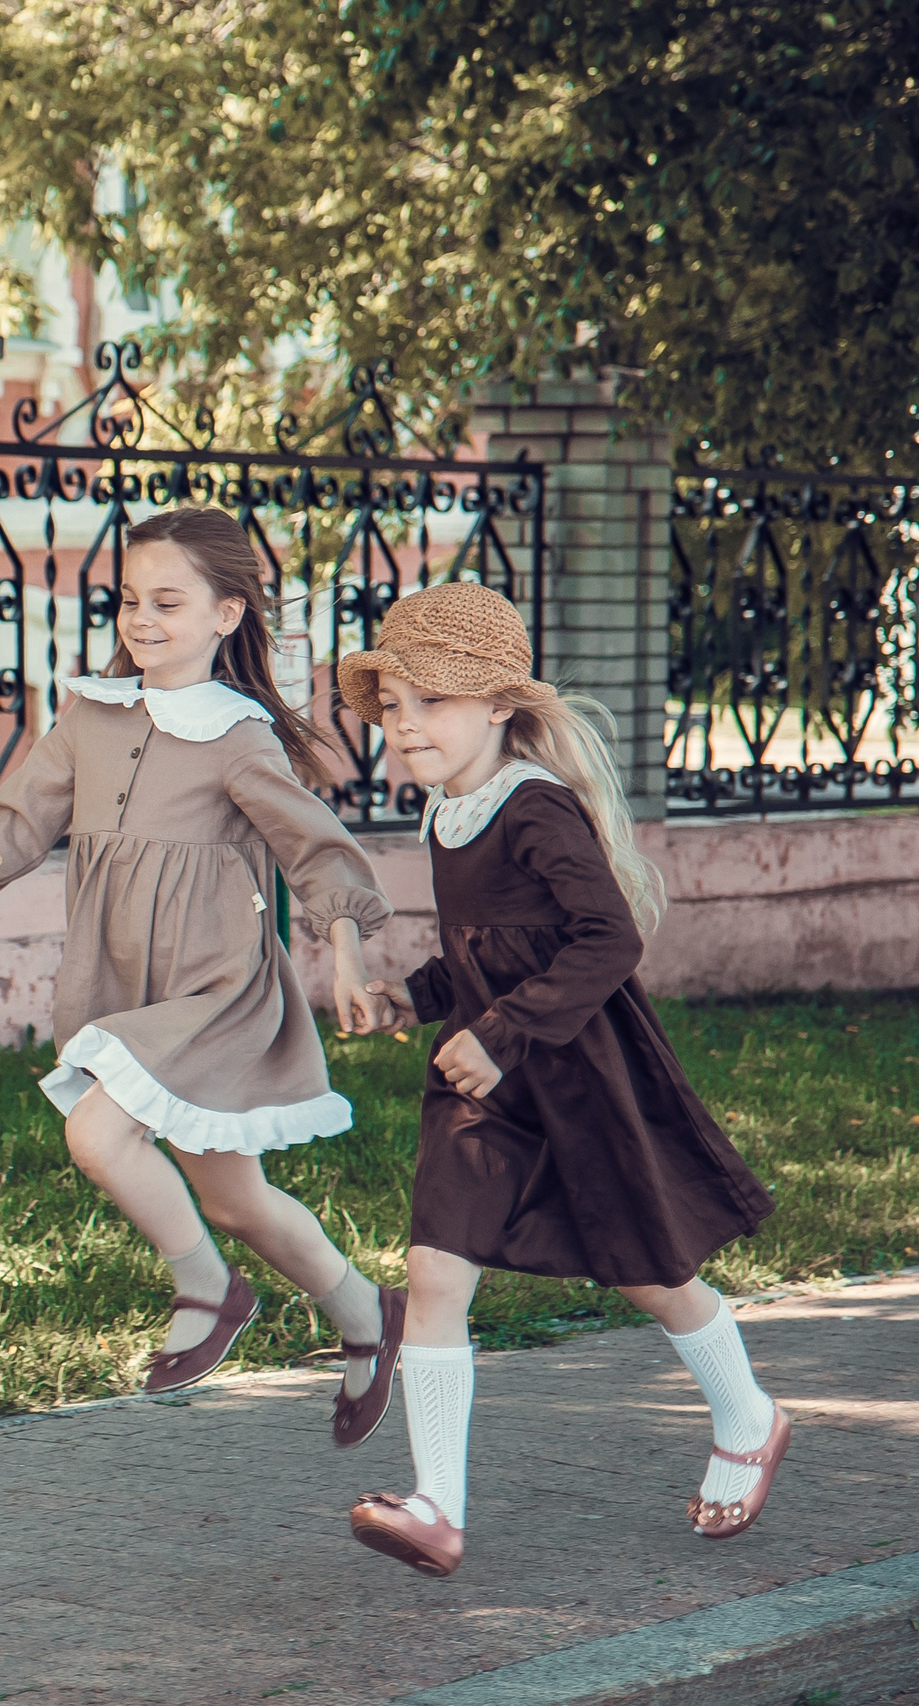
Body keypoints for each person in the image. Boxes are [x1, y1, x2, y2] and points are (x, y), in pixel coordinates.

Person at [0, 506, 408, 1444]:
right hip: (129, 983)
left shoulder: (239, 736)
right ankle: (370, 1316)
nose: (141, 618)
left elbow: (315, 852)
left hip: (213, 991)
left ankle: (207, 1286)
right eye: (128, 598)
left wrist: (347, 951)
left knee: (99, 1130)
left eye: (168, 601)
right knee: (238, 1199)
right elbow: (14, 827)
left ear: (227, 615)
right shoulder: (90, 716)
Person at [335, 581, 788, 1580]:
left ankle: (747, 1415)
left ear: (499, 705)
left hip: (574, 1072)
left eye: (432, 703)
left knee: (647, 1272)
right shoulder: (449, 810)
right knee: (435, 1268)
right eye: (393, 706)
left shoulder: (533, 808)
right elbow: (481, 950)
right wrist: (411, 998)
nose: (405, 727)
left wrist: (501, 1034)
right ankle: (436, 1509)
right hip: (483, 1088)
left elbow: (604, 940)